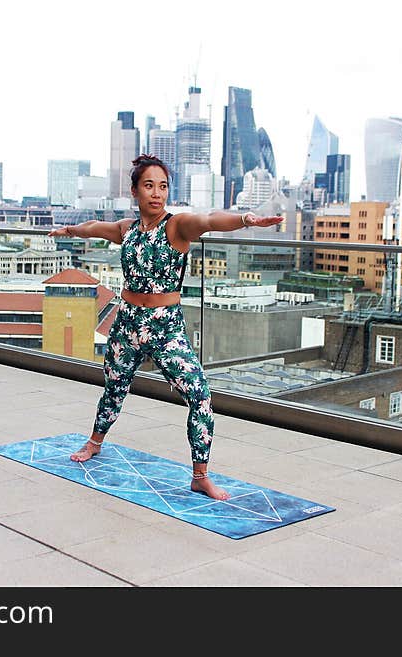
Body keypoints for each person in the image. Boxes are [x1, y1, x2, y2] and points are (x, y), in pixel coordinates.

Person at [47, 154, 283, 500]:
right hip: (127, 322)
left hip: (165, 329)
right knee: (113, 389)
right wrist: (68, 230)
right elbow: (96, 227)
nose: (157, 194)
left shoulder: (177, 226)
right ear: (134, 191)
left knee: (200, 396)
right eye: (149, 186)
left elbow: (210, 219)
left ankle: (200, 475)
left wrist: (247, 219)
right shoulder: (127, 229)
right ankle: (95, 442)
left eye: (163, 187)